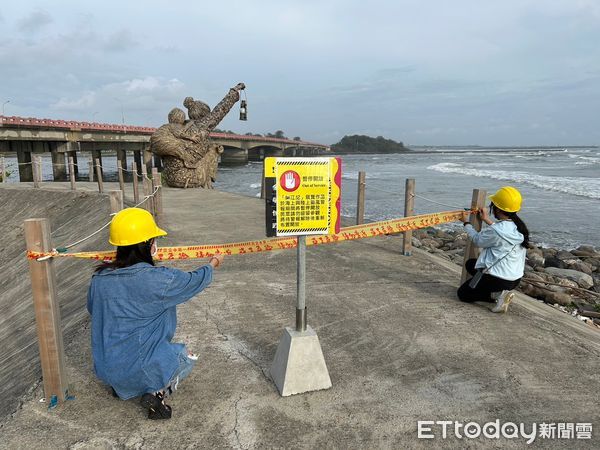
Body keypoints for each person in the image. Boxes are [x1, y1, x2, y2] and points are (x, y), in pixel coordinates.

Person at [87, 208, 224, 419]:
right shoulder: (159, 279)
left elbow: (92, 309)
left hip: (106, 370)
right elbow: (193, 281)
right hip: (139, 368)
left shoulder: (99, 278)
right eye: (153, 240)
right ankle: (156, 394)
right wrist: (213, 263)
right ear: (147, 245)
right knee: (186, 357)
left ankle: (122, 388)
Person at [457, 186, 530, 313]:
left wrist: (465, 223)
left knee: (463, 294)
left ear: (497, 208)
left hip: (498, 280)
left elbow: (477, 239)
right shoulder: (518, 227)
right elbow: (501, 232)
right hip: (515, 279)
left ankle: (496, 295)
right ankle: (496, 291)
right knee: (470, 264)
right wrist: (486, 219)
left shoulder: (496, 231)